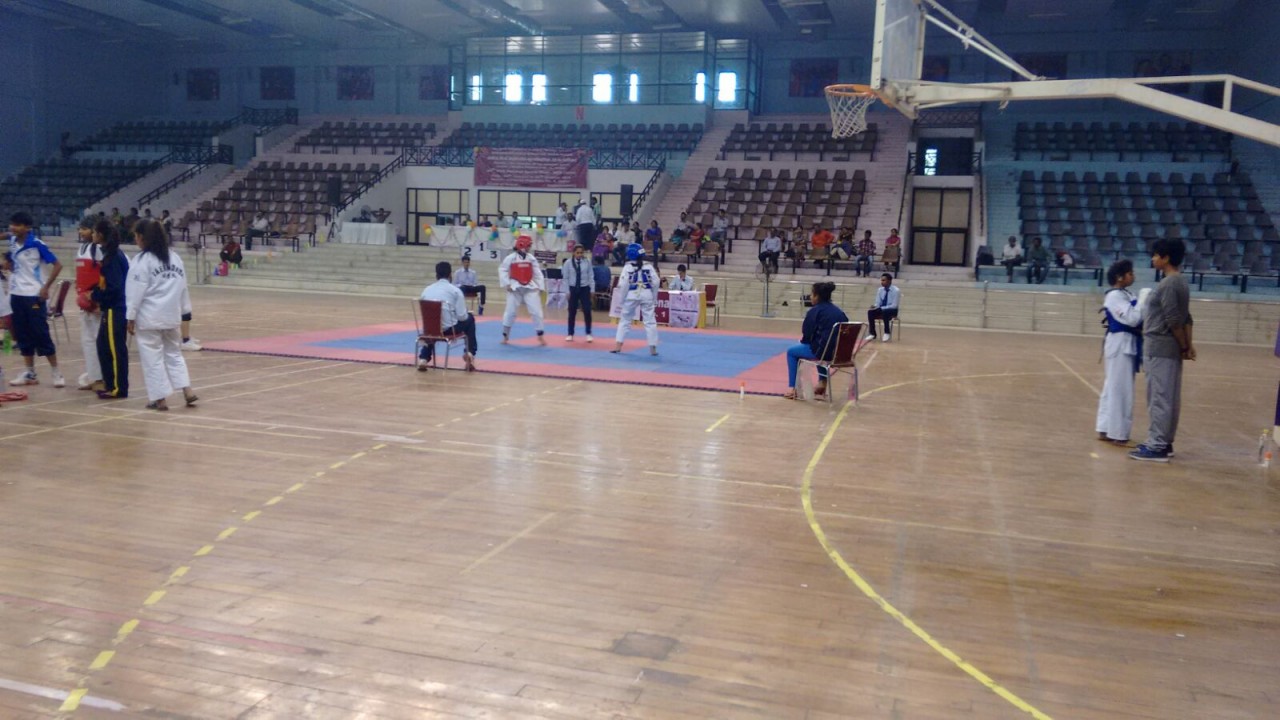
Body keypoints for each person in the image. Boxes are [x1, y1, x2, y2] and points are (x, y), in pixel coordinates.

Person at [1131, 239, 1195, 462]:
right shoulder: (1181, 282)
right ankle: (1164, 441)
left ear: (1166, 258)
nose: (1153, 259)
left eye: (1156, 255)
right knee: (1169, 396)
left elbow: (1173, 319)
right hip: (1170, 348)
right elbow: (1187, 318)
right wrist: (1187, 346)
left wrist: (1184, 345)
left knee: (1159, 397)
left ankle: (1157, 444)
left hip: (1160, 347)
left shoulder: (1168, 284)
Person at [125, 219, 198, 411]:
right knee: (174, 354)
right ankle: (187, 390)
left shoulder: (141, 261)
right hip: (171, 316)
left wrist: (130, 316)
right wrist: (185, 311)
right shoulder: (175, 258)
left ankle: (160, 399)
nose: (135, 240)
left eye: (136, 236)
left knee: (152, 359)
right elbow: (183, 287)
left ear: (142, 237)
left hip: (149, 318)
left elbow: (134, 292)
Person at [6, 211, 65, 387]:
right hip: (16, 295)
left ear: (27, 228)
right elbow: (7, 235)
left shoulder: (37, 245)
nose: (13, 228)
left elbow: (58, 265)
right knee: (22, 335)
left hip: (34, 295)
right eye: (12, 224)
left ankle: (56, 372)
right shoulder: (13, 241)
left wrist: (45, 287)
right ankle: (30, 374)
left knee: (41, 333)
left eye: (17, 225)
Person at [1096, 260, 1142, 444]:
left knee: (1113, 387)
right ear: (1119, 277)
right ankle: (1119, 433)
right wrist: (1144, 300)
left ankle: (1105, 428)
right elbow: (1133, 319)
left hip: (1124, 343)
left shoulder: (1126, 294)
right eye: (1130, 273)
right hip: (1120, 343)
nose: (1133, 276)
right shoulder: (1114, 296)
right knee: (1121, 389)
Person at [784, 281, 849, 400]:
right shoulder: (839, 312)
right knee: (823, 346)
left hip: (824, 353)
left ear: (817, 296)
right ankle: (822, 384)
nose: (810, 297)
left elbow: (807, 334)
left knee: (791, 352)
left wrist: (803, 342)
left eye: (812, 294)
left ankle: (793, 389)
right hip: (840, 354)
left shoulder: (815, 311)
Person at [90, 220, 129, 399]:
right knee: (103, 345)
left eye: (94, 232)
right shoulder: (110, 255)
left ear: (100, 234)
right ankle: (110, 383)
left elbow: (115, 287)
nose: (92, 235)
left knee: (115, 348)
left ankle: (119, 388)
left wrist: (95, 295)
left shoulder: (113, 258)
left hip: (116, 308)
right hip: (111, 308)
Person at [418, 261, 477, 372]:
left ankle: (423, 358)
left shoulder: (426, 290)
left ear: (436, 275)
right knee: (470, 319)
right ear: (450, 275)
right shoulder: (455, 291)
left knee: (432, 328)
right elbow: (462, 317)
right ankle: (469, 353)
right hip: (449, 330)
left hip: (429, 330)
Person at [611, 243, 659, 356]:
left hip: (631, 295)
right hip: (647, 294)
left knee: (625, 320)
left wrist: (622, 299)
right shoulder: (648, 266)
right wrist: (654, 297)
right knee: (650, 322)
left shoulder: (627, 267)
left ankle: (618, 346)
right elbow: (656, 282)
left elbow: (623, 285)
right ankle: (653, 348)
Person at [73, 217, 104, 391]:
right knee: (88, 341)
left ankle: (102, 378)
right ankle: (93, 377)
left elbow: (104, 274)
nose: (80, 232)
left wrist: (98, 298)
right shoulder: (82, 248)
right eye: (80, 228)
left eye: (84, 229)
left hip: (96, 302)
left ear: (94, 231)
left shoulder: (99, 249)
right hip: (84, 302)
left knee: (99, 340)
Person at [499, 234, 546, 345]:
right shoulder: (511, 258)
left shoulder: (531, 258)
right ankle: (505, 335)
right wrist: (507, 284)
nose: (529, 248)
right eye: (528, 245)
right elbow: (503, 270)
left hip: (530, 286)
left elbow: (538, 273)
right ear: (522, 245)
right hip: (515, 287)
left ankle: (540, 336)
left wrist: (540, 286)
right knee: (510, 311)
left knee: (536, 311)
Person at [561, 244, 594, 343]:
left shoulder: (587, 262)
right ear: (573, 253)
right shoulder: (568, 263)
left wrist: (592, 289)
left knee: (587, 310)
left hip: (585, 288)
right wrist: (567, 291)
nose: (579, 255)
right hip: (573, 288)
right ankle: (570, 333)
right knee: (572, 311)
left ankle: (588, 333)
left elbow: (591, 276)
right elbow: (565, 278)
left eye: (581, 253)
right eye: (578, 253)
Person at [866, 273, 901, 342]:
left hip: (892, 310)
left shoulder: (896, 290)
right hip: (881, 309)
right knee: (870, 312)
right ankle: (872, 333)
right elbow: (878, 303)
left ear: (889, 281)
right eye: (881, 280)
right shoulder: (880, 290)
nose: (882, 282)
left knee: (885, 312)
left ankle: (887, 332)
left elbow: (894, 305)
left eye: (884, 280)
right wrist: (875, 306)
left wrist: (882, 308)